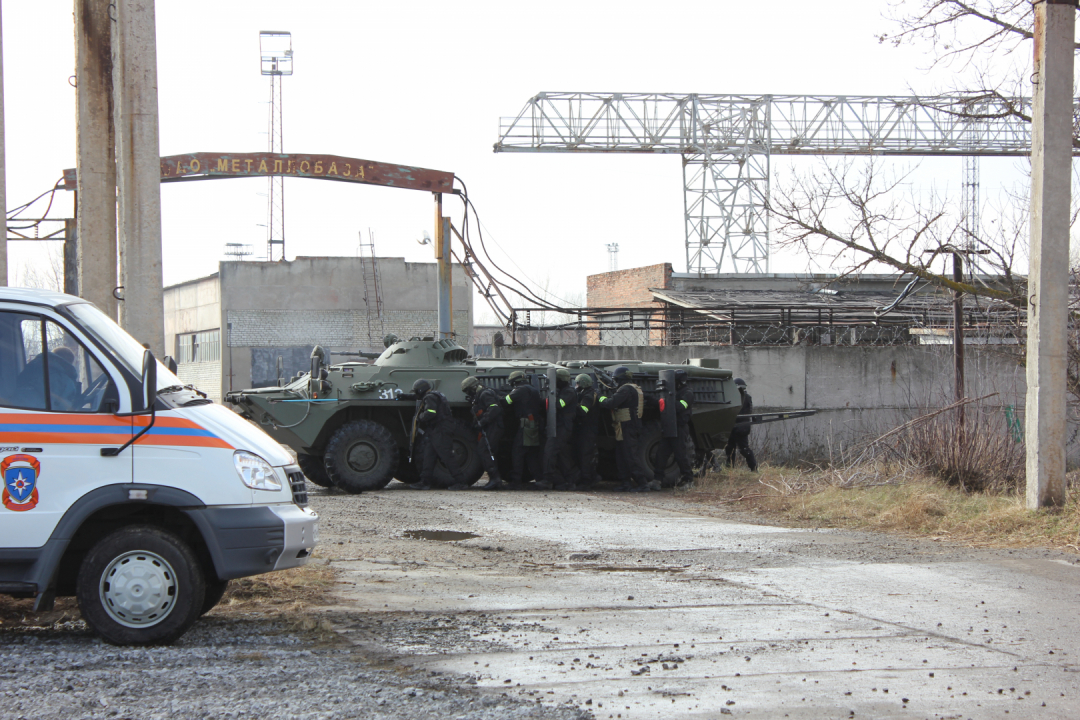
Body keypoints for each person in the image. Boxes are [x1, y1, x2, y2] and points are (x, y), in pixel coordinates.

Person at [403, 378, 468, 490]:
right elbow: (419, 398)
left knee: (447, 456)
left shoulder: (430, 397)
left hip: (441, 429)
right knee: (429, 455)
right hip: (437, 429)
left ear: (420, 390)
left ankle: (461, 482)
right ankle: (425, 481)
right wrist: (404, 396)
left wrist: (420, 418)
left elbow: (431, 413)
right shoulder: (433, 395)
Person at [598, 365, 655, 492]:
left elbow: (610, 403)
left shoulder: (626, 390)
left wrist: (600, 396)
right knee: (621, 456)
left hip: (627, 426)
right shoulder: (633, 388)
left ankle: (642, 483)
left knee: (630, 456)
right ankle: (626, 482)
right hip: (625, 426)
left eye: (616, 380)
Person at [653, 369, 695, 487]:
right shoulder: (673, 392)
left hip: (679, 428)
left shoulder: (687, 393)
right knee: (661, 455)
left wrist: (667, 401)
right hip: (669, 426)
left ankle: (688, 480)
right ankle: (657, 480)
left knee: (680, 455)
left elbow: (681, 406)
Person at [463, 376, 505, 491]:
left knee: (485, 450)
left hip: (494, 426)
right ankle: (495, 478)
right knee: (487, 450)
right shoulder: (480, 395)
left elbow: (494, 409)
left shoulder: (485, 394)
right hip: (490, 426)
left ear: (473, 387)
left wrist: (483, 421)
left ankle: (495, 479)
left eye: (468, 390)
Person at [540, 368, 579, 491]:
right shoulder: (563, 390)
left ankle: (548, 480)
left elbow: (558, 405)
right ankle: (566, 481)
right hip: (559, 426)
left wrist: (552, 393)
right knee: (561, 455)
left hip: (563, 427)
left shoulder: (569, 392)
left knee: (550, 452)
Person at [505, 370, 544, 488]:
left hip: (525, 425)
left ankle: (516, 481)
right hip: (533, 424)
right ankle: (540, 479)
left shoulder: (520, 390)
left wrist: (496, 395)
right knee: (531, 454)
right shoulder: (532, 389)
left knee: (518, 452)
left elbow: (507, 401)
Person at [571, 373, 602, 489]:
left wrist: (572, 407)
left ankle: (587, 481)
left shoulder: (588, 396)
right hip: (586, 429)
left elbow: (584, 410)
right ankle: (590, 477)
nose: (576, 385)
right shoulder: (586, 393)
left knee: (585, 456)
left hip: (587, 430)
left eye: (578, 383)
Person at [725, 377, 758, 472]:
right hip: (735, 427)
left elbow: (748, 411)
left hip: (741, 427)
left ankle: (754, 468)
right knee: (730, 449)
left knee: (743, 449)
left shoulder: (744, 397)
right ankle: (729, 468)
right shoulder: (735, 396)